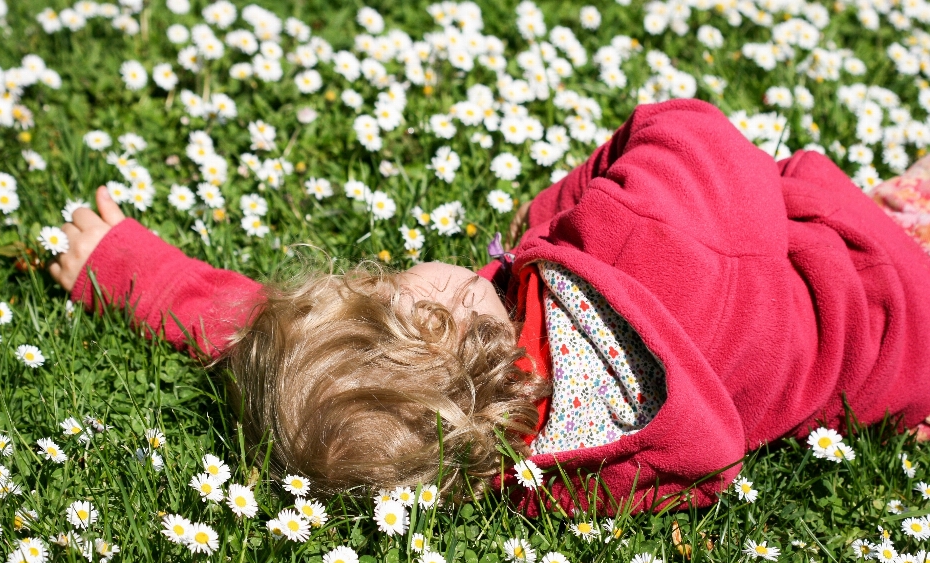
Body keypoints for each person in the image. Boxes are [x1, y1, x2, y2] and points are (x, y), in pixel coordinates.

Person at [49, 99, 930, 516]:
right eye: (376, 280)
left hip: (884, 380)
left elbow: (319, 378)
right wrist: (566, 204)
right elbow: (697, 130)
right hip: (872, 285)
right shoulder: (633, 232)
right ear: (442, 318)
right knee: (826, 226)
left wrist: (141, 275)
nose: (380, 264)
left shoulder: (533, 470)